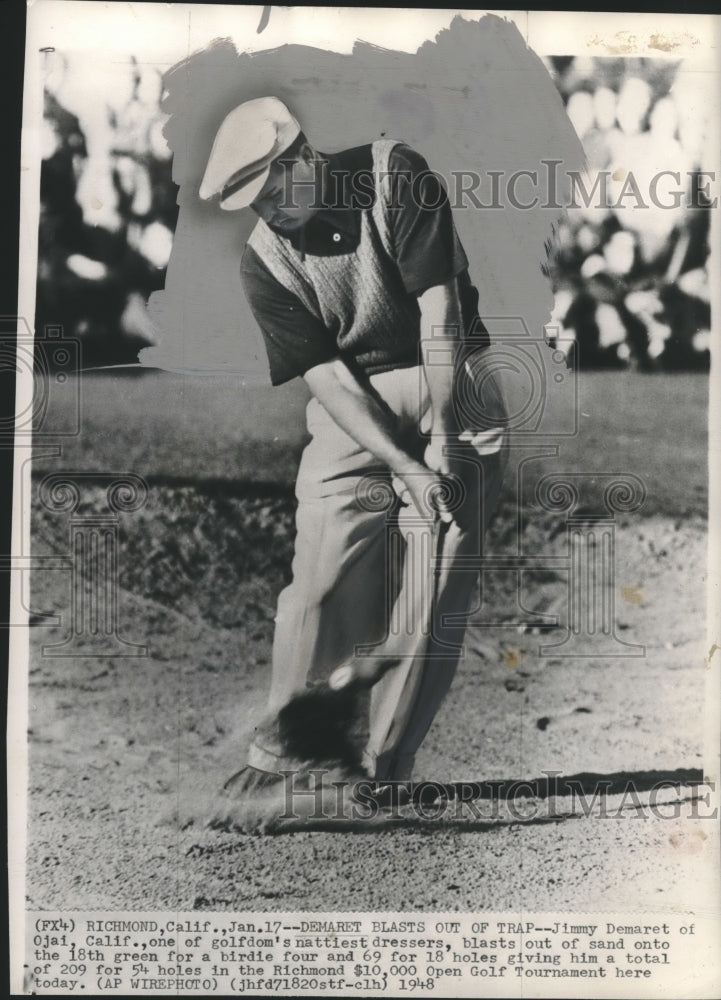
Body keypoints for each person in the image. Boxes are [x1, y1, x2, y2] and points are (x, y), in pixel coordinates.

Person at [199, 96, 507, 796]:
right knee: (318, 573)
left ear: (304, 157)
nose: (270, 209)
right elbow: (327, 377)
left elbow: (440, 312)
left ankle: (381, 774)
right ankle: (286, 757)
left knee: (430, 586)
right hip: (354, 400)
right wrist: (401, 460)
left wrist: (447, 442)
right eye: (254, 200)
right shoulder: (262, 263)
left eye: (275, 187)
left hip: (450, 374)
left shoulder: (396, 175)